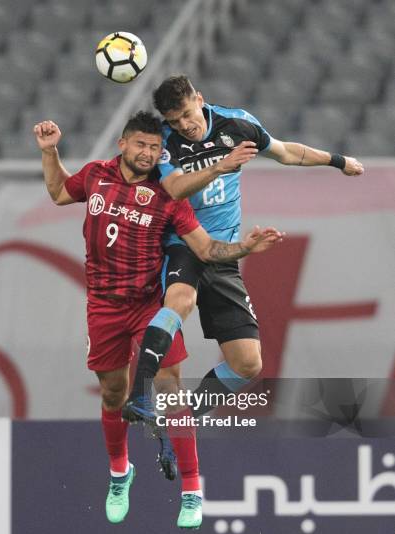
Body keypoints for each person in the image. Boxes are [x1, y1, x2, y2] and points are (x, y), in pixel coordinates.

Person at [34, 111, 283, 529]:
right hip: (103, 306)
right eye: (141, 145)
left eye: (155, 147)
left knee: (169, 392)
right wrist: (50, 152)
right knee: (113, 395)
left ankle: (191, 491)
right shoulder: (96, 175)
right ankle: (120, 474)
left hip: (149, 304)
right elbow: (59, 192)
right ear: (123, 145)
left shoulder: (169, 196)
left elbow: (205, 250)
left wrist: (243, 248)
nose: (148, 153)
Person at [124, 74, 365, 428]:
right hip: (183, 245)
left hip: (224, 254)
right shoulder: (165, 142)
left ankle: (187, 417)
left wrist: (337, 160)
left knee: (248, 365)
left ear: (200, 100)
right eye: (175, 121)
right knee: (180, 302)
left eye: (188, 114)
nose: (185, 126)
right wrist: (219, 165)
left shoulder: (238, 124)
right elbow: (174, 188)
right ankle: (139, 396)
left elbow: (286, 152)